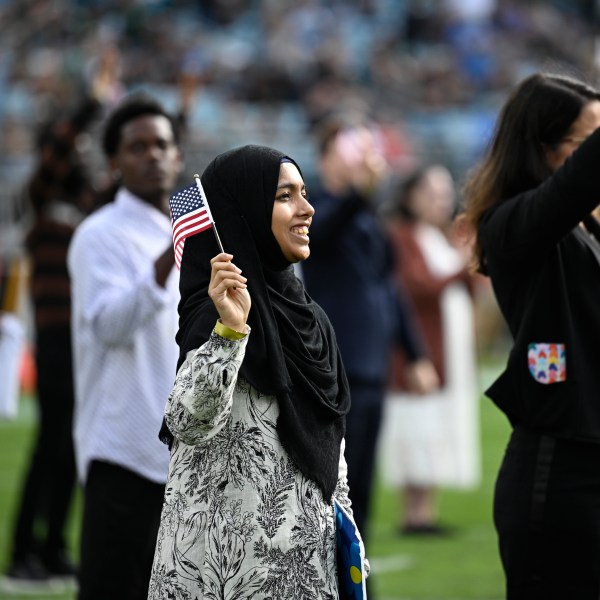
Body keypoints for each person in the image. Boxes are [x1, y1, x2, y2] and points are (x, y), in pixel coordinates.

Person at [148, 144, 363, 599]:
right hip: (224, 576)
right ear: (244, 210)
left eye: (304, 194)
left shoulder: (312, 319)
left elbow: (332, 460)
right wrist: (230, 332)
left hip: (309, 571)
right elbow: (186, 423)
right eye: (285, 196)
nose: (307, 210)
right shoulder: (218, 315)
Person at [462, 72, 600, 598]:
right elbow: (573, 188)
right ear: (542, 148)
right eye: (588, 142)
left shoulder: (584, 230)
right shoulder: (512, 224)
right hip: (559, 477)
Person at [67, 94, 183, 600]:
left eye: (162, 144)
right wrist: (170, 255)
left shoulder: (186, 236)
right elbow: (110, 325)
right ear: (114, 162)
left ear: (178, 156)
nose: (152, 155)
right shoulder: (98, 235)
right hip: (121, 453)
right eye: (137, 147)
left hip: (181, 456)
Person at [301, 118, 439, 541]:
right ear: (326, 158)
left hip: (372, 370)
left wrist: (414, 354)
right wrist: (361, 192)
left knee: (361, 488)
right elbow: (325, 232)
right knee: (332, 488)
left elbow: (389, 292)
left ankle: (357, 573)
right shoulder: (314, 211)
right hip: (334, 371)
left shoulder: (365, 221)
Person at [5, 97, 101, 586]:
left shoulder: (85, 207)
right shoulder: (39, 196)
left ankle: (53, 547)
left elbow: (130, 194)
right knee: (50, 445)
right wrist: (90, 105)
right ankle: (22, 550)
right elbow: (56, 158)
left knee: (72, 444)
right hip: (55, 339)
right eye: (74, 149)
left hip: (87, 342)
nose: (81, 156)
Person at [380, 165, 480, 535]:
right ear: (411, 197)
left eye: (443, 193)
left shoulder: (440, 237)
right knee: (417, 427)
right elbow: (416, 286)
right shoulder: (404, 237)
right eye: (430, 193)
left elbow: (466, 289)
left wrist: (467, 262)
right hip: (419, 349)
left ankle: (427, 511)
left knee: (437, 427)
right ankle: (413, 513)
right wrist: (461, 267)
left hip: (448, 349)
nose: (439, 201)